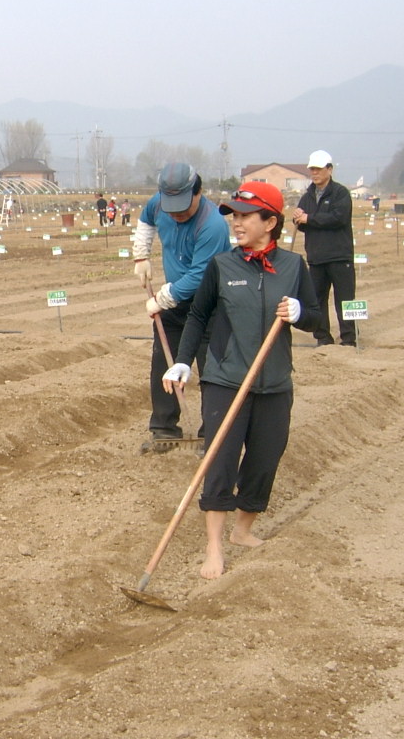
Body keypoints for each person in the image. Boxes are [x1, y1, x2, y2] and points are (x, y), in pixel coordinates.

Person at [162, 181, 321, 579]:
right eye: (234, 214)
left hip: (275, 383)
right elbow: (198, 316)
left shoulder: (293, 267)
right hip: (226, 380)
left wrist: (301, 311)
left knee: (265, 460)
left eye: (246, 215)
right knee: (219, 463)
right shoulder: (222, 266)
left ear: (270, 221)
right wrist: (183, 362)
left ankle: (242, 530)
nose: (236, 222)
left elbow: (318, 319)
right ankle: (213, 548)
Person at [133, 163, 232, 453]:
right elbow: (146, 218)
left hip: (210, 303)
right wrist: (141, 255)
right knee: (164, 363)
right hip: (175, 302)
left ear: (198, 193)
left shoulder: (212, 224)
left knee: (211, 367)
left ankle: (212, 433)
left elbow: (199, 277)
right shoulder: (160, 202)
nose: (176, 214)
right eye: (171, 207)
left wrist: (161, 299)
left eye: (183, 208)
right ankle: (164, 429)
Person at [291, 150, 357, 346]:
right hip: (316, 257)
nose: (315, 173)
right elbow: (302, 224)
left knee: (344, 299)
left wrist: (309, 218)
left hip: (339, 256)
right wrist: (298, 219)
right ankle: (323, 338)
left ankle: (349, 338)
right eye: (312, 169)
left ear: (329, 169)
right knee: (317, 300)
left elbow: (339, 218)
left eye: (319, 169)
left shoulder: (340, 193)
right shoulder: (307, 197)